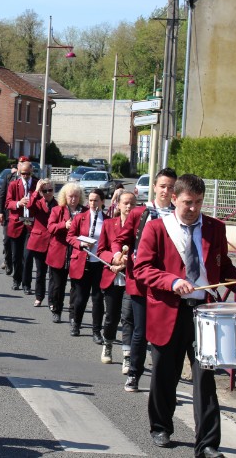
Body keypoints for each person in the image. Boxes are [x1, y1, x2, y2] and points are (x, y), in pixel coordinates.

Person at [134, 174, 236, 457]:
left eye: (199, 202)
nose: (193, 208)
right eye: (188, 202)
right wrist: (172, 281)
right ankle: (161, 426)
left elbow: (223, 267)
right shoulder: (157, 228)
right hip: (168, 311)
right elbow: (142, 269)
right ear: (174, 198)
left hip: (204, 314)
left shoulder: (215, 227)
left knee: (205, 379)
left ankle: (208, 444)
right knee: (165, 374)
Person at [114, 167, 178, 391]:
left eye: (171, 187)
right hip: (141, 280)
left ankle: (164, 381)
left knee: (165, 333)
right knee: (140, 331)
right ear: (154, 187)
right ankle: (134, 373)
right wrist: (118, 253)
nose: (166, 191)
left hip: (167, 282)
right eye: (163, 186)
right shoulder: (140, 213)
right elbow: (122, 239)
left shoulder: (178, 215)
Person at [96, 191, 136, 364]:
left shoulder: (141, 227)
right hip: (112, 276)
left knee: (128, 317)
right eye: (125, 203)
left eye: (132, 203)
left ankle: (127, 355)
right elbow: (101, 251)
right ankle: (108, 344)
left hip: (131, 277)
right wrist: (113, 259)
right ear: (118, 204)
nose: (129, 206)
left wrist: (125, 264)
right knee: (111, 316)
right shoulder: (108, 224)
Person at [66, 189, 108, 340]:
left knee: (97, 299)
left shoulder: (108, 220)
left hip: (99, 263)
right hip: (83, 261)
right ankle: (76, 324)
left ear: (102, 202)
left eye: (96, 200)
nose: (92, 203)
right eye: (90, 200)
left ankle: (96, 331)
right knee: (80, 297)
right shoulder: (80, 217)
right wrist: (81, 243)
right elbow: (70, 237)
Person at [45, 183, 85, 323]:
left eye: (76, 196)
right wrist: (64, 225)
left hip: (77, 254)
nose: (73, 199)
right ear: (65, 196)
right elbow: (50, 227)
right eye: (70, 196)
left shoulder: (84, 211)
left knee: (76, 287)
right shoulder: (57, 210)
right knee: (58, 286)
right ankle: (56, 310)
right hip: (59, 252)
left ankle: (73, 315)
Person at [5, 158, 38, 291]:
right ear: (19, 172)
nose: (25, 176)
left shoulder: (36, 185)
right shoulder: (14, 184)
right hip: (17, 223)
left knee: (28, 256)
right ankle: (16, 280)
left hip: (31, 224)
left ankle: (26, 284)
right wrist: (19, 203)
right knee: (16, 257)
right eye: (23, 173)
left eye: (28, 174)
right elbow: (8, 203)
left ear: (31, 172)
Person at [25, 178, 57, 307]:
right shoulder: (37, 203)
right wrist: (36, 191)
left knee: (53, 275)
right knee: (40, 272)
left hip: (54, 243)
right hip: (39, 242)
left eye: (50, 190)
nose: (48, 193)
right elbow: (29, 206)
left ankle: (52, 300)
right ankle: (39, 296)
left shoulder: (59, 204)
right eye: (44, 191)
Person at [0, 162, 19, 275]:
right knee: (7, 240)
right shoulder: (9, 178)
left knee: (19, 243)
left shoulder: (32, 179)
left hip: (21, 217)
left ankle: (18, 267)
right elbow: (2, 195)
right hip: (8, 214)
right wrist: (0, 212)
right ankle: (8, 262)